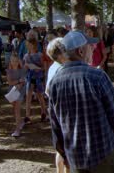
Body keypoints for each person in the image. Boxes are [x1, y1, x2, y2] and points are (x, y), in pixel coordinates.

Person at [48, 30, 114, 172]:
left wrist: (63, 154)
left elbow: (55, 125)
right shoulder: (96, 76)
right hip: (105, 155)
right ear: (81, 51)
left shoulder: (54, 83)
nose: (93, 49)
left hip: (76, 159)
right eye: (90, 46)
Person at [45, 37, 70, 173]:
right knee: (65, 148)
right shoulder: (60, 69)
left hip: (57, 112)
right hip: (63, 113)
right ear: (60, 54)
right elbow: (49, 90)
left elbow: (47, 90)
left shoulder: (53, 67)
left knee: (61, 148)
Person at [23, 39, 47, 124]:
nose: (30, 46)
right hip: (30, 77)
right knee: (28, 97)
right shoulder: (26, 56)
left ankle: (43, 113)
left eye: (31, 44)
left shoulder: (40, 55)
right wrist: (26, 66)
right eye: (28, 45)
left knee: (40, 96)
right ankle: (27, 116)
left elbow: (43, 67)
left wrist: (38, 69)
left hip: (38, 77)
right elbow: (25, 69)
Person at [6, 53, 26, 137]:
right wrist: (18, 82)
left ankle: (17, 130)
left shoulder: (21, 70)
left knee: (17, 110)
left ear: (18, 61)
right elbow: (10, 82)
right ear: (10, 61)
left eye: (16, 61)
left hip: (20, 91)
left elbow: (23, 81)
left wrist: (19, 84)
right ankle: (20, 122)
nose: (14, 63)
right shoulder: (8, 71)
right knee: (15, 108)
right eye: (12, 61)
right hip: (12, 90)